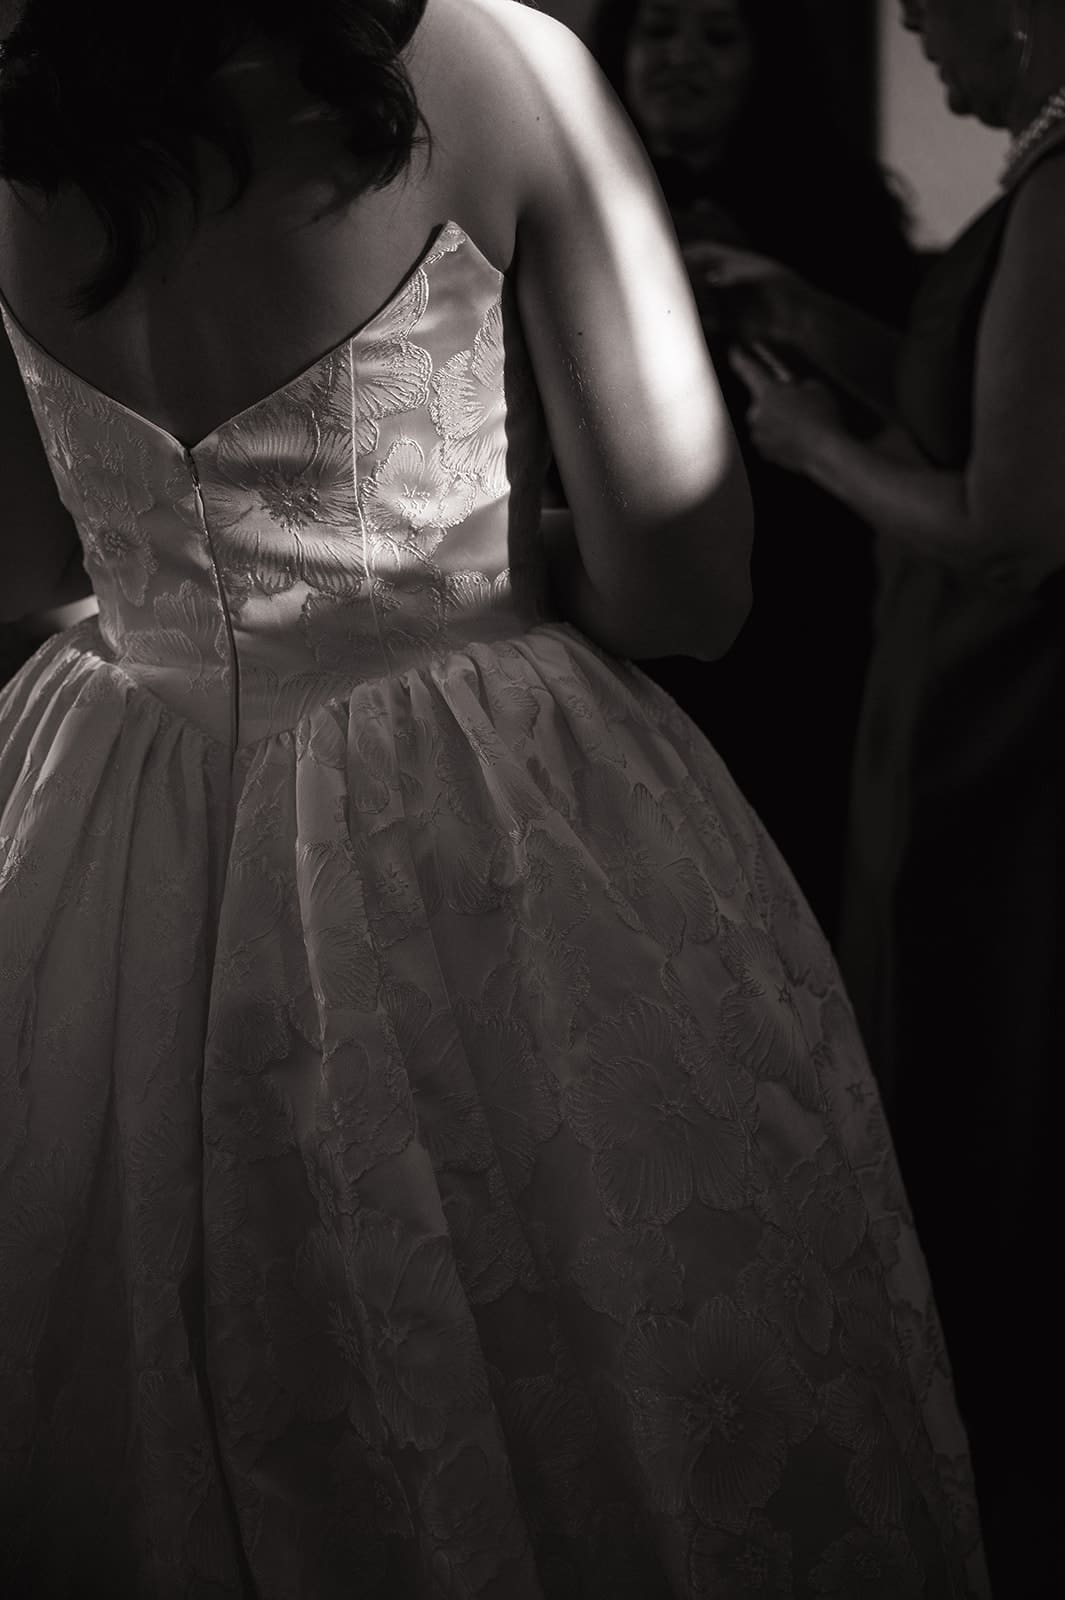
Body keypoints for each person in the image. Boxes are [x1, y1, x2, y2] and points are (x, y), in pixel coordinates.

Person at [0, 1, 987, 1594]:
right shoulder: (494, 66)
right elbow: (685, 581)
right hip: (458, 822)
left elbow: (18, 559)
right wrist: (493, 542)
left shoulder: (24, 108)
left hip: (119, 817)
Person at [695, 0, 1065, 1586]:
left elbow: (1009, 516)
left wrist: (806, 443)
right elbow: (971, 393)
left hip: (1006, 713)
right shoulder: (1035, 180)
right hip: (959, 691)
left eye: (934, 11)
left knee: (995, 1072)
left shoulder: (1061, 191)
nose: (917, 37)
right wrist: (802, 310)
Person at [584, 0, 924, 940]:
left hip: (802, 582)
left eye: (718, 36)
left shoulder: (839, 210)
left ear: (761, 65)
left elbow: (908, 400)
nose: (680, 58)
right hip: (620, 569)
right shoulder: (564, 198)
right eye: (658, 32)